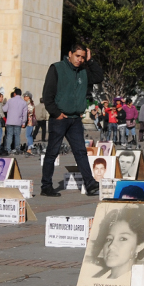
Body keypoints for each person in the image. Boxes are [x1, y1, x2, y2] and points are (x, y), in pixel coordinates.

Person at [40, 43, 104, 197]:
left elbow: (99, 77)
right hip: (60, 118)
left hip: (75, 119)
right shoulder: (57, 68)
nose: (80, 60)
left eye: (82, 57)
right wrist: (56, 113)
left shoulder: (84, 71)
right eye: (77, 56)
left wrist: (90, 61)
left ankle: (90, 184)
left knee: (81, 151)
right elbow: (47, 95)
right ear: (70, 54)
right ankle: (46, 186)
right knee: (52, 152)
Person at [3, 88, 29, 154]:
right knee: (17, 135)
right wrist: (23, 122)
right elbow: (24, 114)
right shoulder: (23, 102)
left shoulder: (10, 100)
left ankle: (8, 149)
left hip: (9, 121)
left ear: (14, 93)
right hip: (18, 121)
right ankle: (17, 148)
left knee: (9, 135)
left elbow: (4, 109)